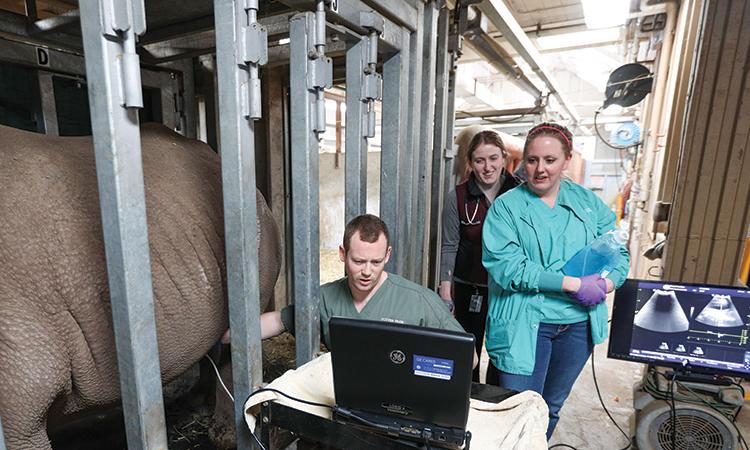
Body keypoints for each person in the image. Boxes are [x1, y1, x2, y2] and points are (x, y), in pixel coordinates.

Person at [481, 122, 630, 439]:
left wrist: (606, 285)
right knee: (516, 408)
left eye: (550, 160)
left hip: (576, 329)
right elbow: (508, 267)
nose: (539, 169)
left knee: (551, 406)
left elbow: (619, 251)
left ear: (567, 160)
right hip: (525, 325)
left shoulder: (587, 204)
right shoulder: (507, 208)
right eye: (532, 160)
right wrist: (574, 284)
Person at [224, 214, 477, 367]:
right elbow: (279, 320)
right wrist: (222, 335)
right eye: (358, 261)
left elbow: (470, 358)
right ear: (343, 254)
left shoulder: (420, 301)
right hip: (345, 403)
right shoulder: (325, 298)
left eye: (376, 262)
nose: (367, 271)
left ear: (387, 255)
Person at [439, 130, 519, 383]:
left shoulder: (519, 193)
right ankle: (468, 397)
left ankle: (498, 399)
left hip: (508, 290)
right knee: (467, 351)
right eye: (480, 160)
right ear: (470, 163)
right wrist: (445, 292)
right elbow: (449, 245)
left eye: (493, 158)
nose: (487, 167)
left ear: (504, 158)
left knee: (503, 353)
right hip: (469, 288)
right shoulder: (459, 197)